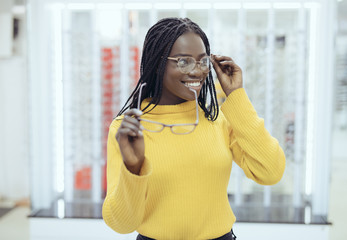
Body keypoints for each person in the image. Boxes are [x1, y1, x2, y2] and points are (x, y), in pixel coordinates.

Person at [102, 17, 286, 240]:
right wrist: (133, 167)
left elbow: (271, 171)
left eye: (203, 61)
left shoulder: (216, 120)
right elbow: (121, 224)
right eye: (184, 62)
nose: (198, 72)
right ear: (158, 63)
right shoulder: (128, 130)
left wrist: (236, 96)